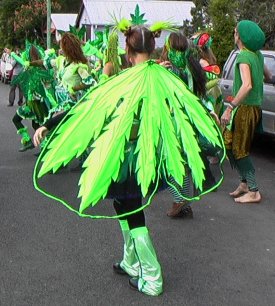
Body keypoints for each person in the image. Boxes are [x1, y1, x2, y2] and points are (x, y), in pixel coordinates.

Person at [33, 22, 225, 297]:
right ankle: (132, 262)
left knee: (133, 212)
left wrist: (49, 124)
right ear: (154, 47)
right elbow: (192, 99)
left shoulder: (128, 80)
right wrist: (209, 114)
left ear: (128, 49)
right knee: (123, 206)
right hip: (138, 155)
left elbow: (87, 105)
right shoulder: (164, 76)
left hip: (135, 158)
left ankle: (153, 277)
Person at [160, 32, 222, 218]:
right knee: (185, 164)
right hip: (189, 125)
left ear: (168, 49)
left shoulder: (168, 71)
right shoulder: (191, 69)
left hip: (173, 125)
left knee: (168, 164)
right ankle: (184, 204)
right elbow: (200, 96)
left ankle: (179, 200)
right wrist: (209, 110)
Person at [221, 20, 265, 204]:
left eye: (235, 31)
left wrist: (230, 108)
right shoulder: (257, 55)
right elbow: (266, 75)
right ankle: (244, 183)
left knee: (239, 150)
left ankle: (254, 191)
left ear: (240, 36)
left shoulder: (244, 57)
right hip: (252, 108)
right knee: (230, 145)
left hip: (245, 109)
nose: (234, 33)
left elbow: (247, 85)